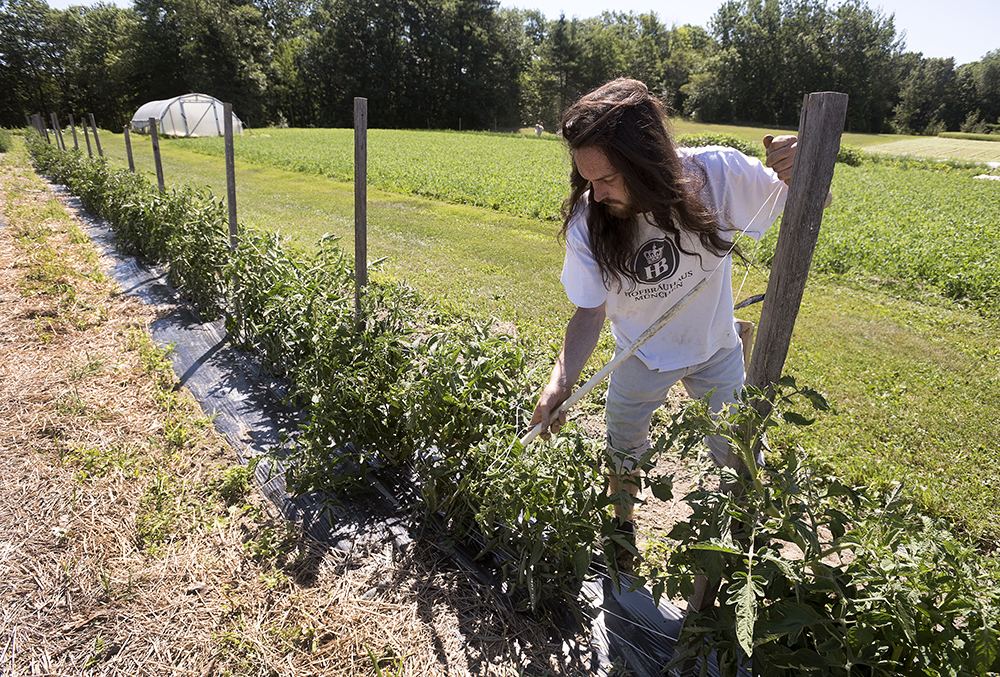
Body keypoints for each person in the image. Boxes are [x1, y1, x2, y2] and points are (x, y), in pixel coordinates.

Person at [527, 78, 810, 571]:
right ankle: (619, 533)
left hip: (716, 346)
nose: (596, 195)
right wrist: (560, 381)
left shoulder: (716, 176)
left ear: (647, 162)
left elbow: (805, 203)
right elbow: (590, 311)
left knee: (738, 456)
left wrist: (804, 168)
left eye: (608, 179)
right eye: (587, 180)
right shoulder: (588, 225)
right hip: (638, 354)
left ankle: (739, 551)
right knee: (622, 450)